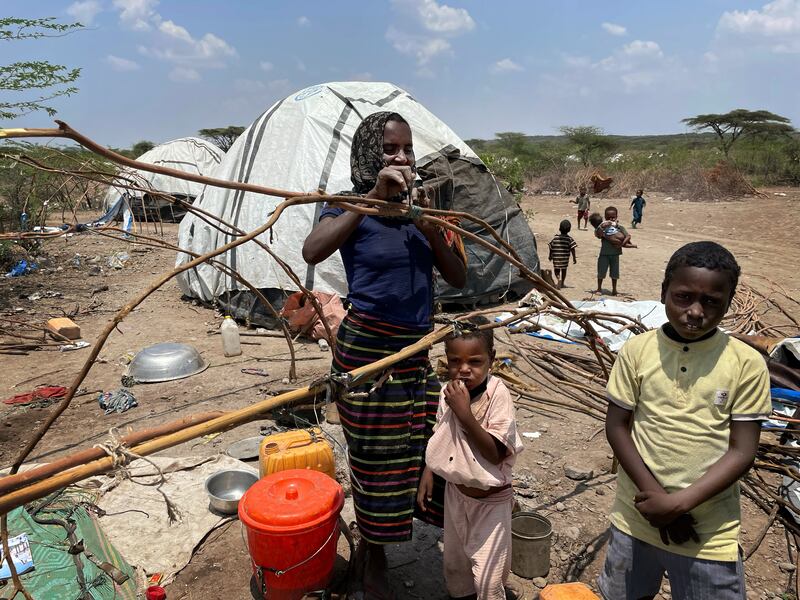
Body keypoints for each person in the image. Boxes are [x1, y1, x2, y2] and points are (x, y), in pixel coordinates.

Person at [302, 111, 466, 599]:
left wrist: (429, 223)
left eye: (407, 149)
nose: (401, 158)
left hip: (415, 352)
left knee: (424, 449)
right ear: (370, 156)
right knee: (375, 460)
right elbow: (313, 251)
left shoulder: (427, 208)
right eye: (390, 149)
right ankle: (374, 554)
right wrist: (374, 198)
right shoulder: (348, 204)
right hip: (367, 353)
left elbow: (458, 277)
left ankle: (403, 533)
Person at [599, 241, 771, 600]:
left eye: (711, 302)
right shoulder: (637, 350)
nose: (695, 311)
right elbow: (617, 427)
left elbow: (742, 451)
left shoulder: (745, 364)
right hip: (636, 517)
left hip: (707, 532)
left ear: (729, 302)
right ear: (664, 291)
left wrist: (680, 505)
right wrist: (660, 503)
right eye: (683, 297)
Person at [418, 316, 524, 600]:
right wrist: (429, 471)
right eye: (455, 362)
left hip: (490, 503)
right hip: (456, 497)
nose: (463, 370)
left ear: (491, 359)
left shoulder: (497, 395)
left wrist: (464, 413)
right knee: (456, 569)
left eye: (474, 362)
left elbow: (495, 452)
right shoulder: (447, 393)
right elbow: (441, 434)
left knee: (489, 579)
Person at [593, 206, 631, 295]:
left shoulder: (619, 228)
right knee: (601, 272)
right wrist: (602, 228)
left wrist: (622, 244)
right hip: (604, 253)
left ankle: (614, 290)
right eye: (608, 217)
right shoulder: (603, 227)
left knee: (615, 273)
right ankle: (599, 288)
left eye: (613, 217)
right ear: (605, 217)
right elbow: (597, 234)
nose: (611, 219)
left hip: (615, 254)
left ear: (616, 216)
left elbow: (627, 235)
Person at [548, 219, 577, 289]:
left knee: (556, 269)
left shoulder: (555, 238)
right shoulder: (569, 239)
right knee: (564, 269)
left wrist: (550, 256)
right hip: (565, 258)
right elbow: (573, 249)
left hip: (556, 257)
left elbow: (551, 247)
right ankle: (562, 283)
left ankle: (558, 278)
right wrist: (574, 258)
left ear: (559, 228)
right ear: (569, 229)